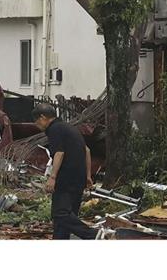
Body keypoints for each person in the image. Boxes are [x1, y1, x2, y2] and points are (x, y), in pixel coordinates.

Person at [33, 102, 98, 240]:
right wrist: (87, 175)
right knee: (64, 220)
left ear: (43, 117)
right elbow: (87, 150)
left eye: (36, 121)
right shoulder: (70, 128)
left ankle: (93, 235)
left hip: (66, 178)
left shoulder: (54, 129)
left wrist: (52, 177)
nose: (37, 125)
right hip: (79, 177)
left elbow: (59, 153)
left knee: (60, 213)